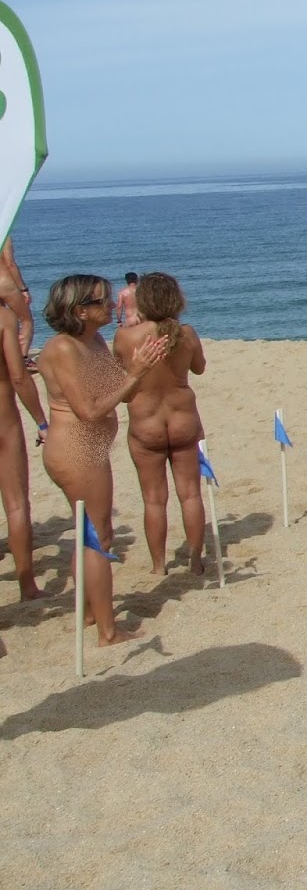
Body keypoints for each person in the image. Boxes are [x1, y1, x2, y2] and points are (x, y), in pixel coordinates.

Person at [36, 275, 169, 645]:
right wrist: (135, 373)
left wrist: (140, 368)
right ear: (80, 310)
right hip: (75, 450)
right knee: (99, 537)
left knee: (91, 534)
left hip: (91, 449)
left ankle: (91, 613)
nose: (113, 305)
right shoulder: (63, 349)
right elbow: (89, 411)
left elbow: (118, 392)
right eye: (102, 300)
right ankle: (108, 632)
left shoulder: (93, 340)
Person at [114, 272, 208, 574]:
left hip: (147, 424)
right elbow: (200, 368)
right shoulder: (186, 334)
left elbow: (120, 376)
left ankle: (158, 566)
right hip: (183, 420)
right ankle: (195, 561)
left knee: (154, 500)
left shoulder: (126, 337)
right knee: (190, 494)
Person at [1, 295, 47, 598]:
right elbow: (19, 377)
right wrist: (42, 422)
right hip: (3, 421)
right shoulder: (4, 318)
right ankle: (27, 586)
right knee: (16, 504)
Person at [0, 236, 35, 357]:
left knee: (2, 320)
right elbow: (10, 264)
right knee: (26, 320)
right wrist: (23, 289)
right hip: (5, 283)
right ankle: (23, 357)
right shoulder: (4, 235)